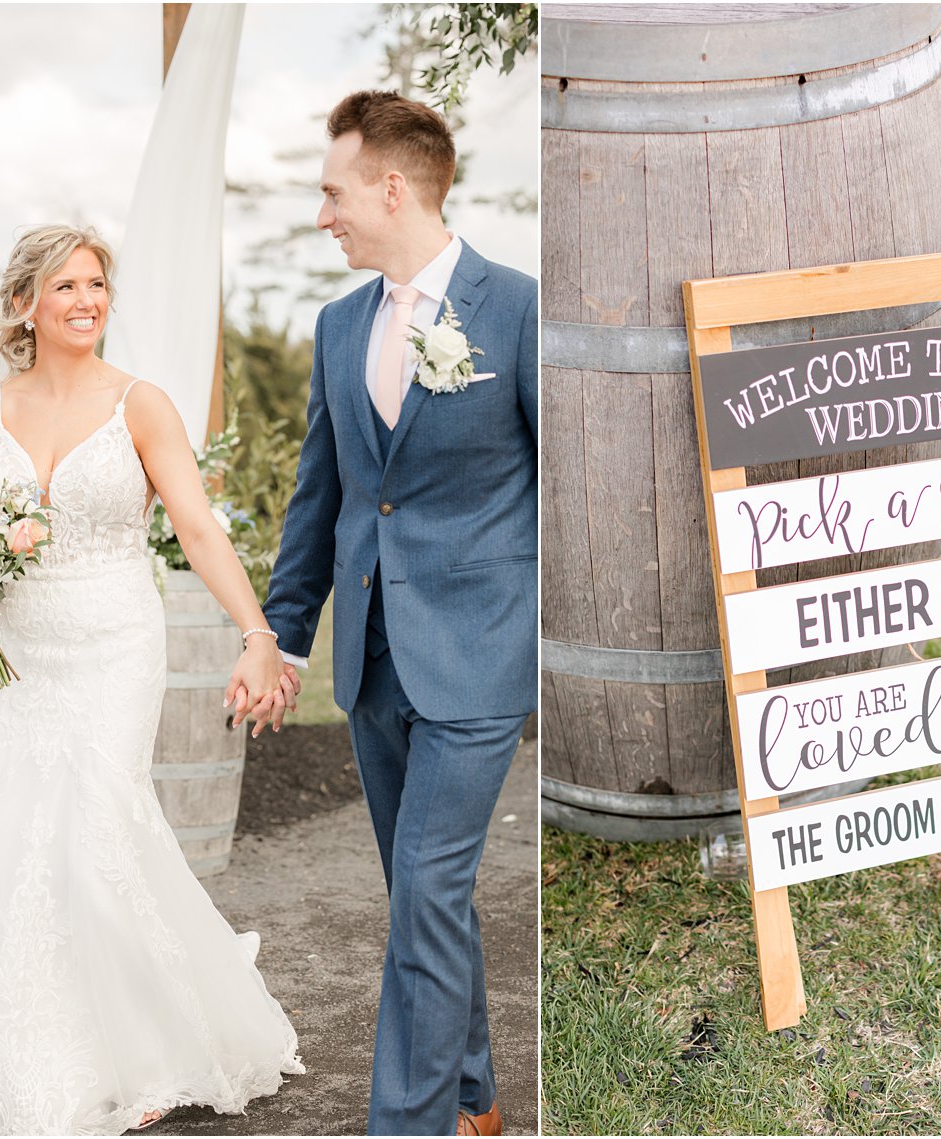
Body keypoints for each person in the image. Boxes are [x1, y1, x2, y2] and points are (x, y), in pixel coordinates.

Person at [0, 224, 304, 1135]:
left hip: (117, 635)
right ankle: (40, 1046)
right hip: (20, 649)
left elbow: (197, 527)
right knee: (16, 829)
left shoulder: (142, 404)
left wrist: (256, 632)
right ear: (23, 305)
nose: (87, 301)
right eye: (67, 287)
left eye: (97, 285)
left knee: (93, 821)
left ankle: (150, 1046)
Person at [261, 91, 537, 1136]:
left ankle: (407, 1123)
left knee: (423, 890)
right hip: (372, 664)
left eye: (332, 193)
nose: (322, 214)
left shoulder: (514, 310)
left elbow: (561, 491)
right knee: (425, 897)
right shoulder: (338, 325)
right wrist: (283, 637)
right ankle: (473, 1095)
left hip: (478, 658)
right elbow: (321, 496)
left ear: (391, 185)